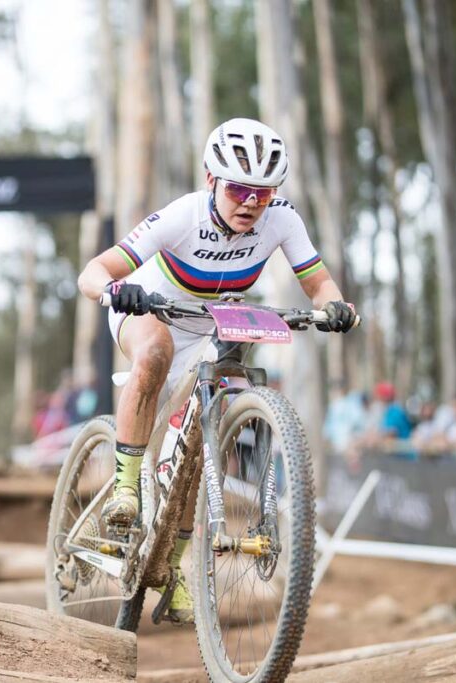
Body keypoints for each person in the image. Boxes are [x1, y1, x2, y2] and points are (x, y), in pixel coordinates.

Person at [77, 118, 357, 623]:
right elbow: (91, 273)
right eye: (238, 188)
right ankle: (123, 487)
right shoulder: (182, 216)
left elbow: (320, 284)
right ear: (212, 180)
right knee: (156, 354)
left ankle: (178, 562)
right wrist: (114, 290)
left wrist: (337, 306)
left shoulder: (283, 220)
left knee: (200, 441)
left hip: (211, 320)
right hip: (150, 308)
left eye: (263, 192)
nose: (250, 202)